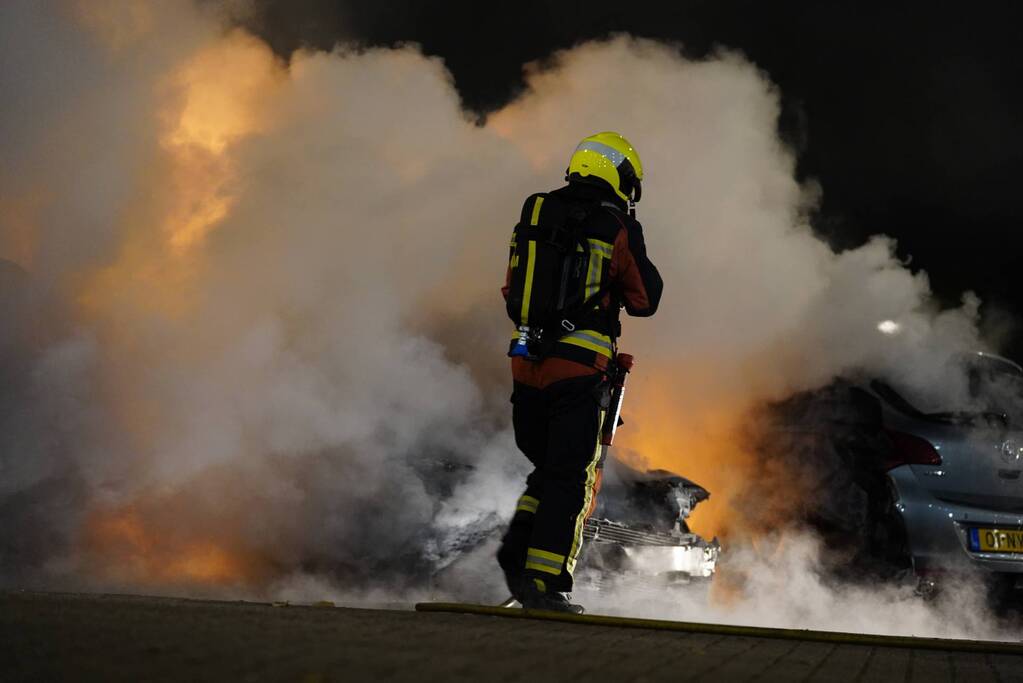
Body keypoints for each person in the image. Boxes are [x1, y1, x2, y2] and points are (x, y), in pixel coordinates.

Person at [498, 131, 663, 613]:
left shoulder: (535, 211)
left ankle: (516, 558)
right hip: (579, 368)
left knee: (546, 469)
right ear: (620, 177)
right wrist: (634, 238)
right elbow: (645, 301)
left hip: (526, 366)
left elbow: (512, 289)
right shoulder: (616, 227)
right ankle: (545, 584)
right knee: (572, 478)